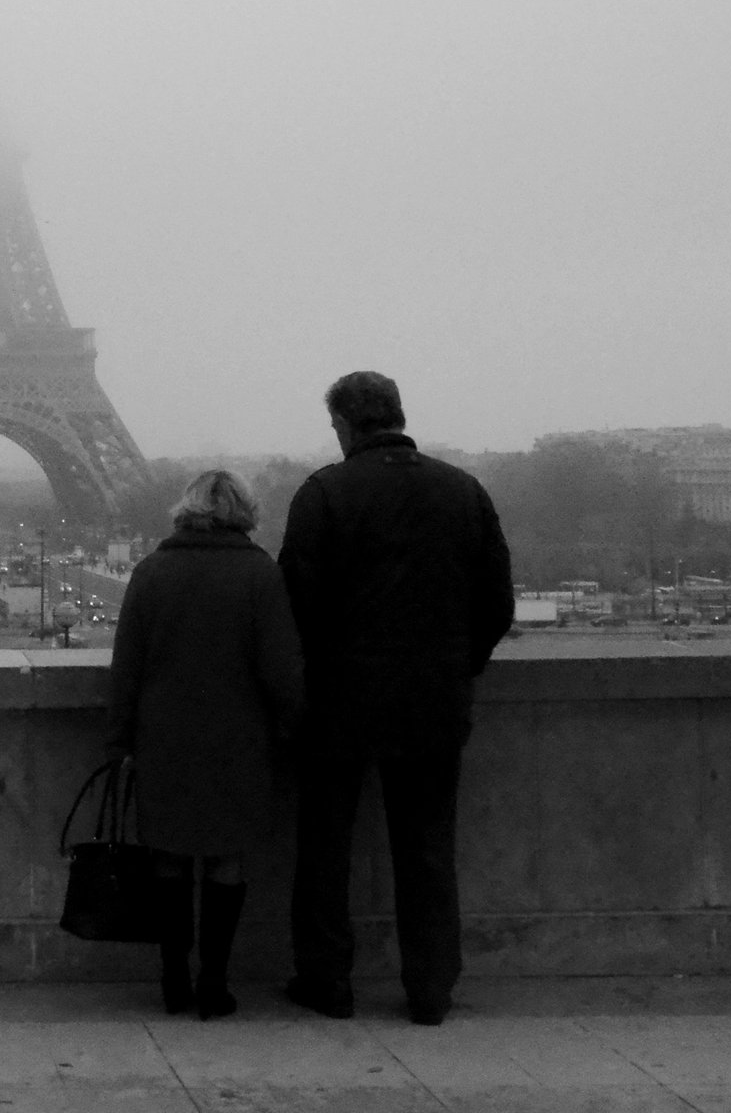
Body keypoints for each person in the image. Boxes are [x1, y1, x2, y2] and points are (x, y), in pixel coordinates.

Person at [278, 371, 514, 1026]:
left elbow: (294, 605)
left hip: (340, 700)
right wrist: (455, 666)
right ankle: (430, 988)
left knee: (325, 846)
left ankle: (328, 980)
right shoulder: (463, 492)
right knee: (428, 848)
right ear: (398, 415)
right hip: (434, 700)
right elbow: (497, 603)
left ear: (346, 426)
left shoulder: (324, 494)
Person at [105, 469, 305, 1019]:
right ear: (245, 512)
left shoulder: (151, 572)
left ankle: (173, 977)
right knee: (226, 859)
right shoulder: (260, 575)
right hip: (239, 738)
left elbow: (127, 668)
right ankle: (213, 981)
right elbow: (281, 669)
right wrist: (294, 728)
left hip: (165, 737)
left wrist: (120, 738)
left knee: (168, 857)